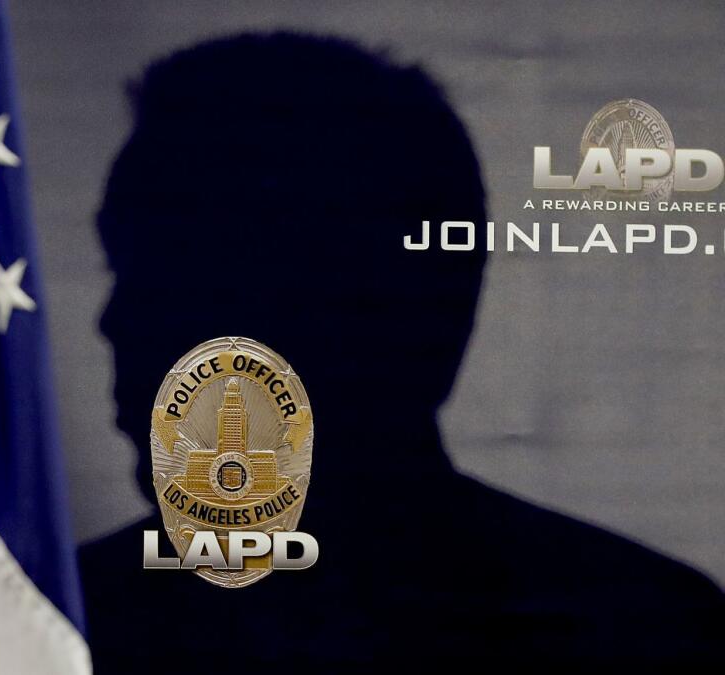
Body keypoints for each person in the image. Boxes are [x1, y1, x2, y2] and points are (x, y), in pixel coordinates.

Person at [79, 32, 725, 671]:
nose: (113, 321)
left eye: (169, 275)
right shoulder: (639, 619)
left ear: (357, 301)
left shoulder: (58, 623)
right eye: (125, 269)